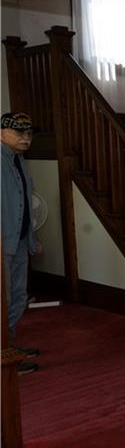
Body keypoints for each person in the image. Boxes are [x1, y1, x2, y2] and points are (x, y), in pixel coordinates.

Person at [2, 112, 42, 374]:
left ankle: (9, 343)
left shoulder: (20, 161)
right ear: (2, 133)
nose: (25, 138)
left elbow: (26, 202)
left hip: (19, 240)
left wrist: (32, 237)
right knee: (2, 299)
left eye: (28, 133)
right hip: (2, 244)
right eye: (18, 132)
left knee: (18, 296)